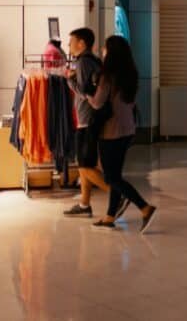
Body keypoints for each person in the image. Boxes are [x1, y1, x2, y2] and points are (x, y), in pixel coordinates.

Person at [89, 36, 157, 233]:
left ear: (111, 53)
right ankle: (110, 216)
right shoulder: (130, 74)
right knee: (115, 173)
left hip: (111, 130)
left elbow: (97, 102)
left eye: (105, 48)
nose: (102, 50)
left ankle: (144, 207)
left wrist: (85, 93)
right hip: (128, 129)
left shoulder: (107, 76)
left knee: (111, 178)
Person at [63, 27, 115, 218]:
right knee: (85, 163)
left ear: (81, 43)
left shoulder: (83, 63)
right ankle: (85, 204)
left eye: (71, 42)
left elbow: (84, 92)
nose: (69, 46)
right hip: (91, 118)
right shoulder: (93, 61)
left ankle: (116, 193)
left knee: (84, 165)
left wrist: (69, 80)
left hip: (87, 119)